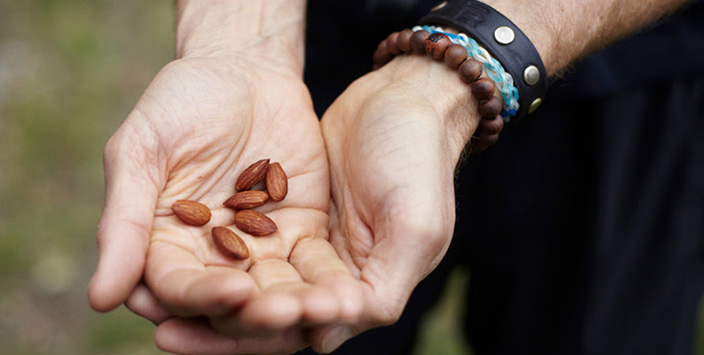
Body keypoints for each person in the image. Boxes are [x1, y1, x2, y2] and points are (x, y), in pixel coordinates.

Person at [88, 0, 704, 353]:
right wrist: (239, 41)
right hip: (314, 64)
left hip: (623, 73)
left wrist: (464, 67)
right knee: (291, 325)